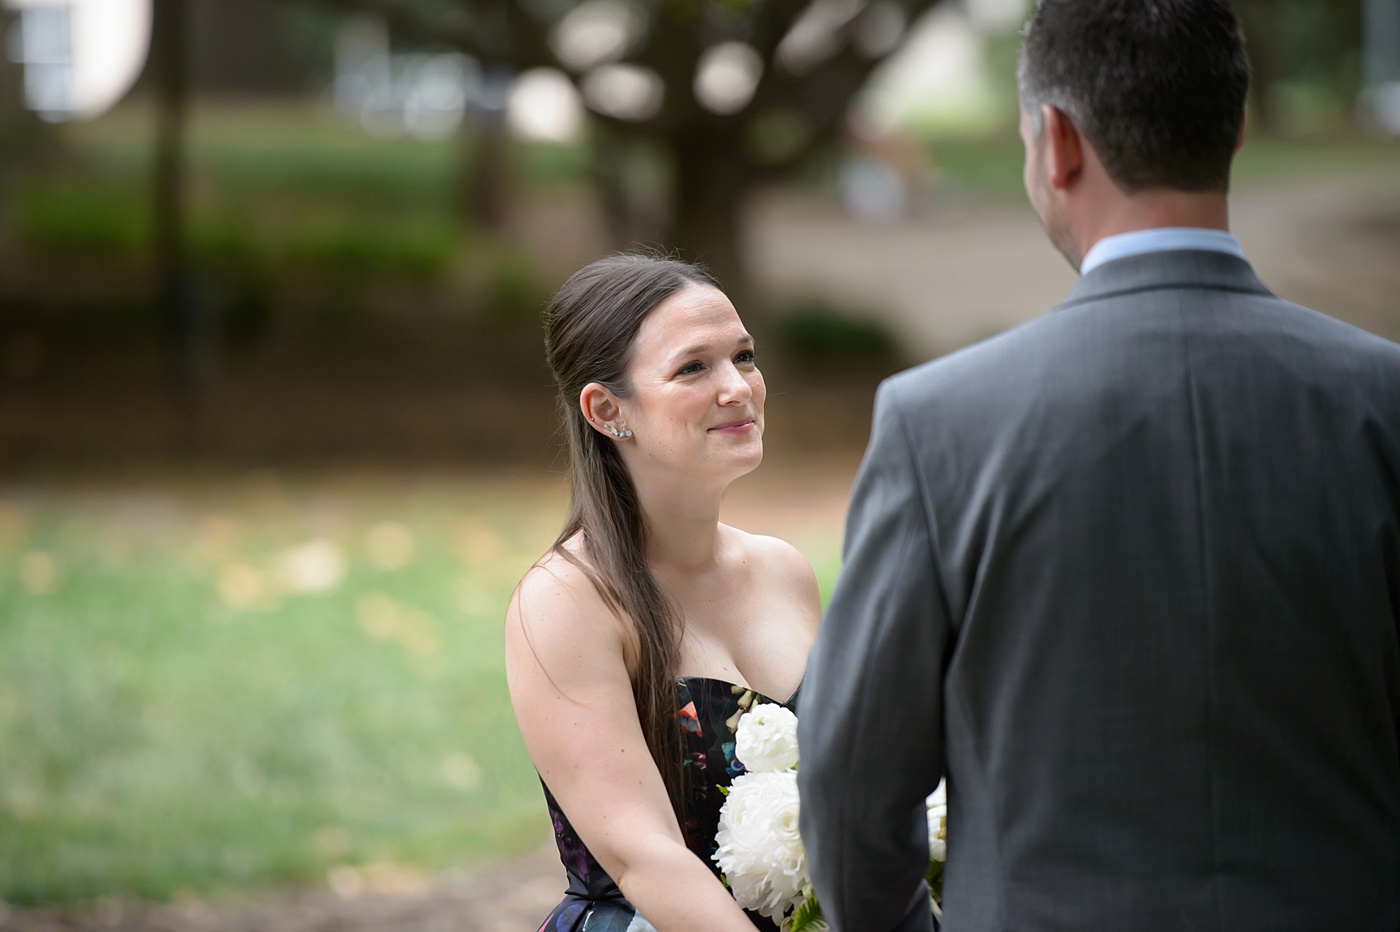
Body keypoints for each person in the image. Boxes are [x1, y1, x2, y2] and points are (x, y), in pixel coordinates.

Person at [797, 0, 1400, 930]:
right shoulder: (1383, 401)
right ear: (1235, 128)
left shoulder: (940, 423)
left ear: (1058, 142)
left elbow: (849, 791)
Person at [505, 254, 822, 932]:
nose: (737, 387)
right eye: (693, 368)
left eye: (744, 356)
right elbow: (643, 856)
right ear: (607, 409)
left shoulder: (784, 571)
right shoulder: (570, 599)